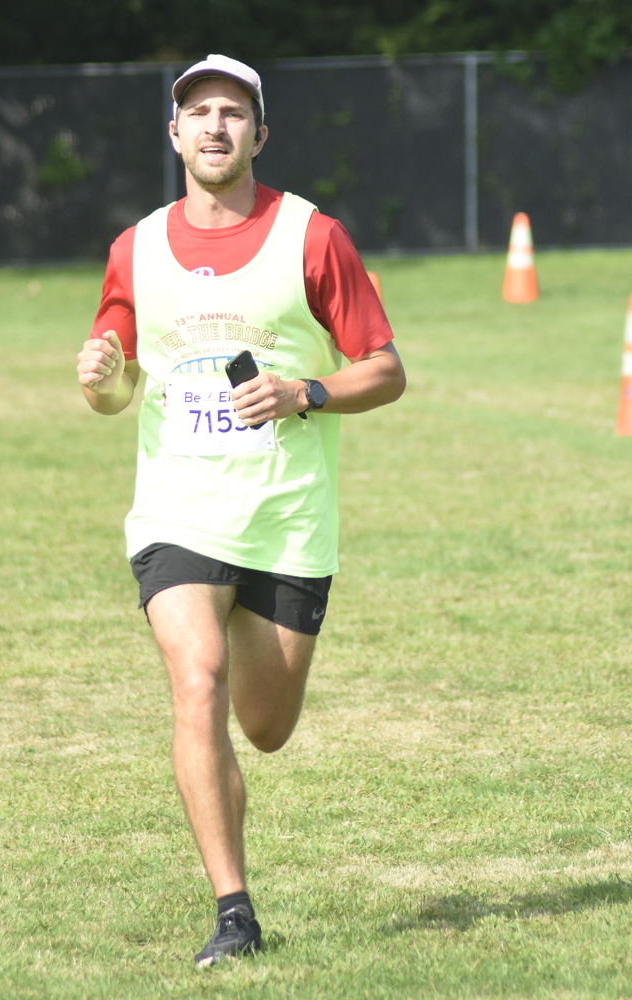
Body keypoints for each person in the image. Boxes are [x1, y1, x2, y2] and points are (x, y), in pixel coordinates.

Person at [74, 53, 405, 968]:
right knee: (197, 677)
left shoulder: (312, 238)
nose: (214, 126)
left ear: (259, 133)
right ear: (173, 133)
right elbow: (119, 386)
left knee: (264, 725)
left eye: (232, 112)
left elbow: (386, 370)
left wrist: (307, 392)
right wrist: (103, 381)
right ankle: (234, 911)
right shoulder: (134, 248)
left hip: (288, 518)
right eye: (197, 112)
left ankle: (233, 848)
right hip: (177, 507)